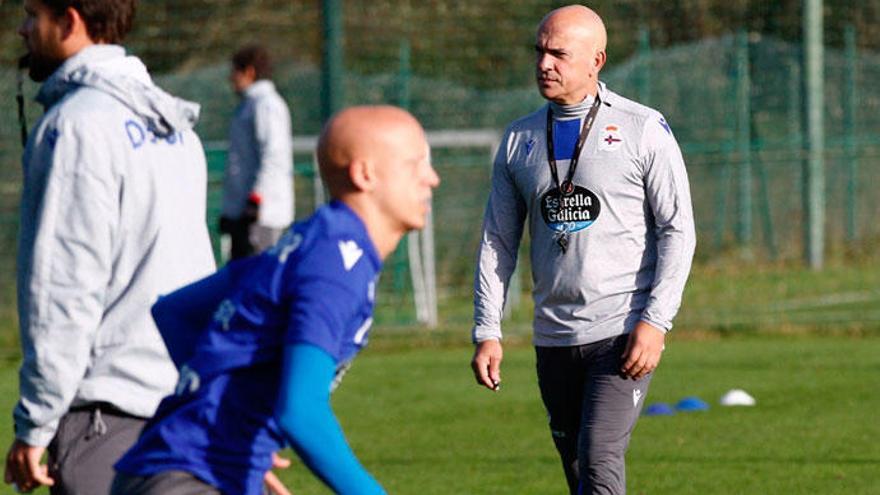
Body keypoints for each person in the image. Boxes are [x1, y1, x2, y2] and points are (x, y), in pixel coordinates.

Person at [111, 105, 440, 495]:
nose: (431, 179)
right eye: (415, 164)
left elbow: (176, 314)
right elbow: (301, 412)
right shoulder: (337, 261)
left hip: (175, 469)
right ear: (364, 174)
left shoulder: (310, 243)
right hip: (186, 479)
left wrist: (236, 428)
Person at [470, 5, 696, 495]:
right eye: (540, 51)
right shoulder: (519, 139)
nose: (544, 64)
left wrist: (655, 322)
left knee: (598, 460)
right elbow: (498, 241)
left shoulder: (642, 129)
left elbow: (678, 229)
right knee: (578, 472)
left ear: (597, 60)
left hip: (620, 331)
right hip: (553, 337)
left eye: (559, 54)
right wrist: (488, 330)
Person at [4, 0, 216, 494]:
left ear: (71, 21)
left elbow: (64, 290)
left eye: (34, 15)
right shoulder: (174, 124)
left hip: (107, 417)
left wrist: (36, 422)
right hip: (185, 406)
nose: (23, 29)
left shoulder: (75, 126)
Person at [219, 44, 295, 260]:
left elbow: (274, 155)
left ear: (249, 72)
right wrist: (231, 209)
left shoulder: (267, 105)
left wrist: (256, 199)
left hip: (261, 216)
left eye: (235, 72)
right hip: (245, 213)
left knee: (258, 280)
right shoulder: (249, 105)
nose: (230, 78)